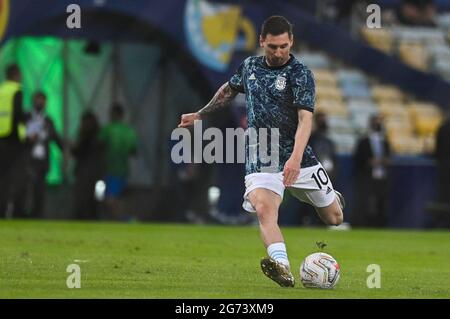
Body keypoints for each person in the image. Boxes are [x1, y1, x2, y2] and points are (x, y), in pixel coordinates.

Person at [178, 16, 345, 287]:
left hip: (299, 157)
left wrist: (294, 159)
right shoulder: (249, 66)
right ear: (261, 42)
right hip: (261, 156)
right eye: (272, 47)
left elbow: (305, 120)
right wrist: (200, 113)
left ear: (290, 42)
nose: (278, 53)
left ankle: (331, 196)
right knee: (265, 210)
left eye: (283, 46)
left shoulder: (301, 74)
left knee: (334, 218)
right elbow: (228, 90)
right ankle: (283, 268)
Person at [25, 91, 63, 218]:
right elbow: (26, 136)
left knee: (40, 189)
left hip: (42, 160)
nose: (40, 102)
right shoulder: (27, 116)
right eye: (38, 99)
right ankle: (22, 213)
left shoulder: (48, 120)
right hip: (28, 159)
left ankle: (37, 214)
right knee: (26, 187)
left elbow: (56, 138)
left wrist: (66, 150)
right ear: (33, 100)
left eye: (43, 100)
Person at [98, 103, 138, 220]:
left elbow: (98, 144)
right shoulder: (128, 131)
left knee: (109, 200)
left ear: (113, 114)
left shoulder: (108, 129)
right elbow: (134, 150)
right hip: (123, 170)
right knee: (115, 199)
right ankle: (121, 219)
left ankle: (125, 219)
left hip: (110, 169)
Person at [353, 114, 391, 227]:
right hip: (367, 177)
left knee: (382, 203)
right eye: (376, 121)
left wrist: (385, 161)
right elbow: (358, 160)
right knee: (367, 204)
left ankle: (381, 225)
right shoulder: (364, 141)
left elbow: (389, 158)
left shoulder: (385, 142)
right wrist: (369, 163)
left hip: (382, 177)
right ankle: (366, 225)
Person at [0, 64, 26, 218]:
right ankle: (14, 211)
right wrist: (25, 134)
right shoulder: (16, 90)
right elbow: (17, 115)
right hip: (13, 141)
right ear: (15, 74)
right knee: (15, 177)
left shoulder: (1, 90)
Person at [71, 111, 104, 220]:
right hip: (98, 174)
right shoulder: (100, 136)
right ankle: (95, 218)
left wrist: (72, 147)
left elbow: (77, 152)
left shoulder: (85, 137)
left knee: (83, 199)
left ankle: (83, 218)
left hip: (84, 174)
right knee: (97, 198)